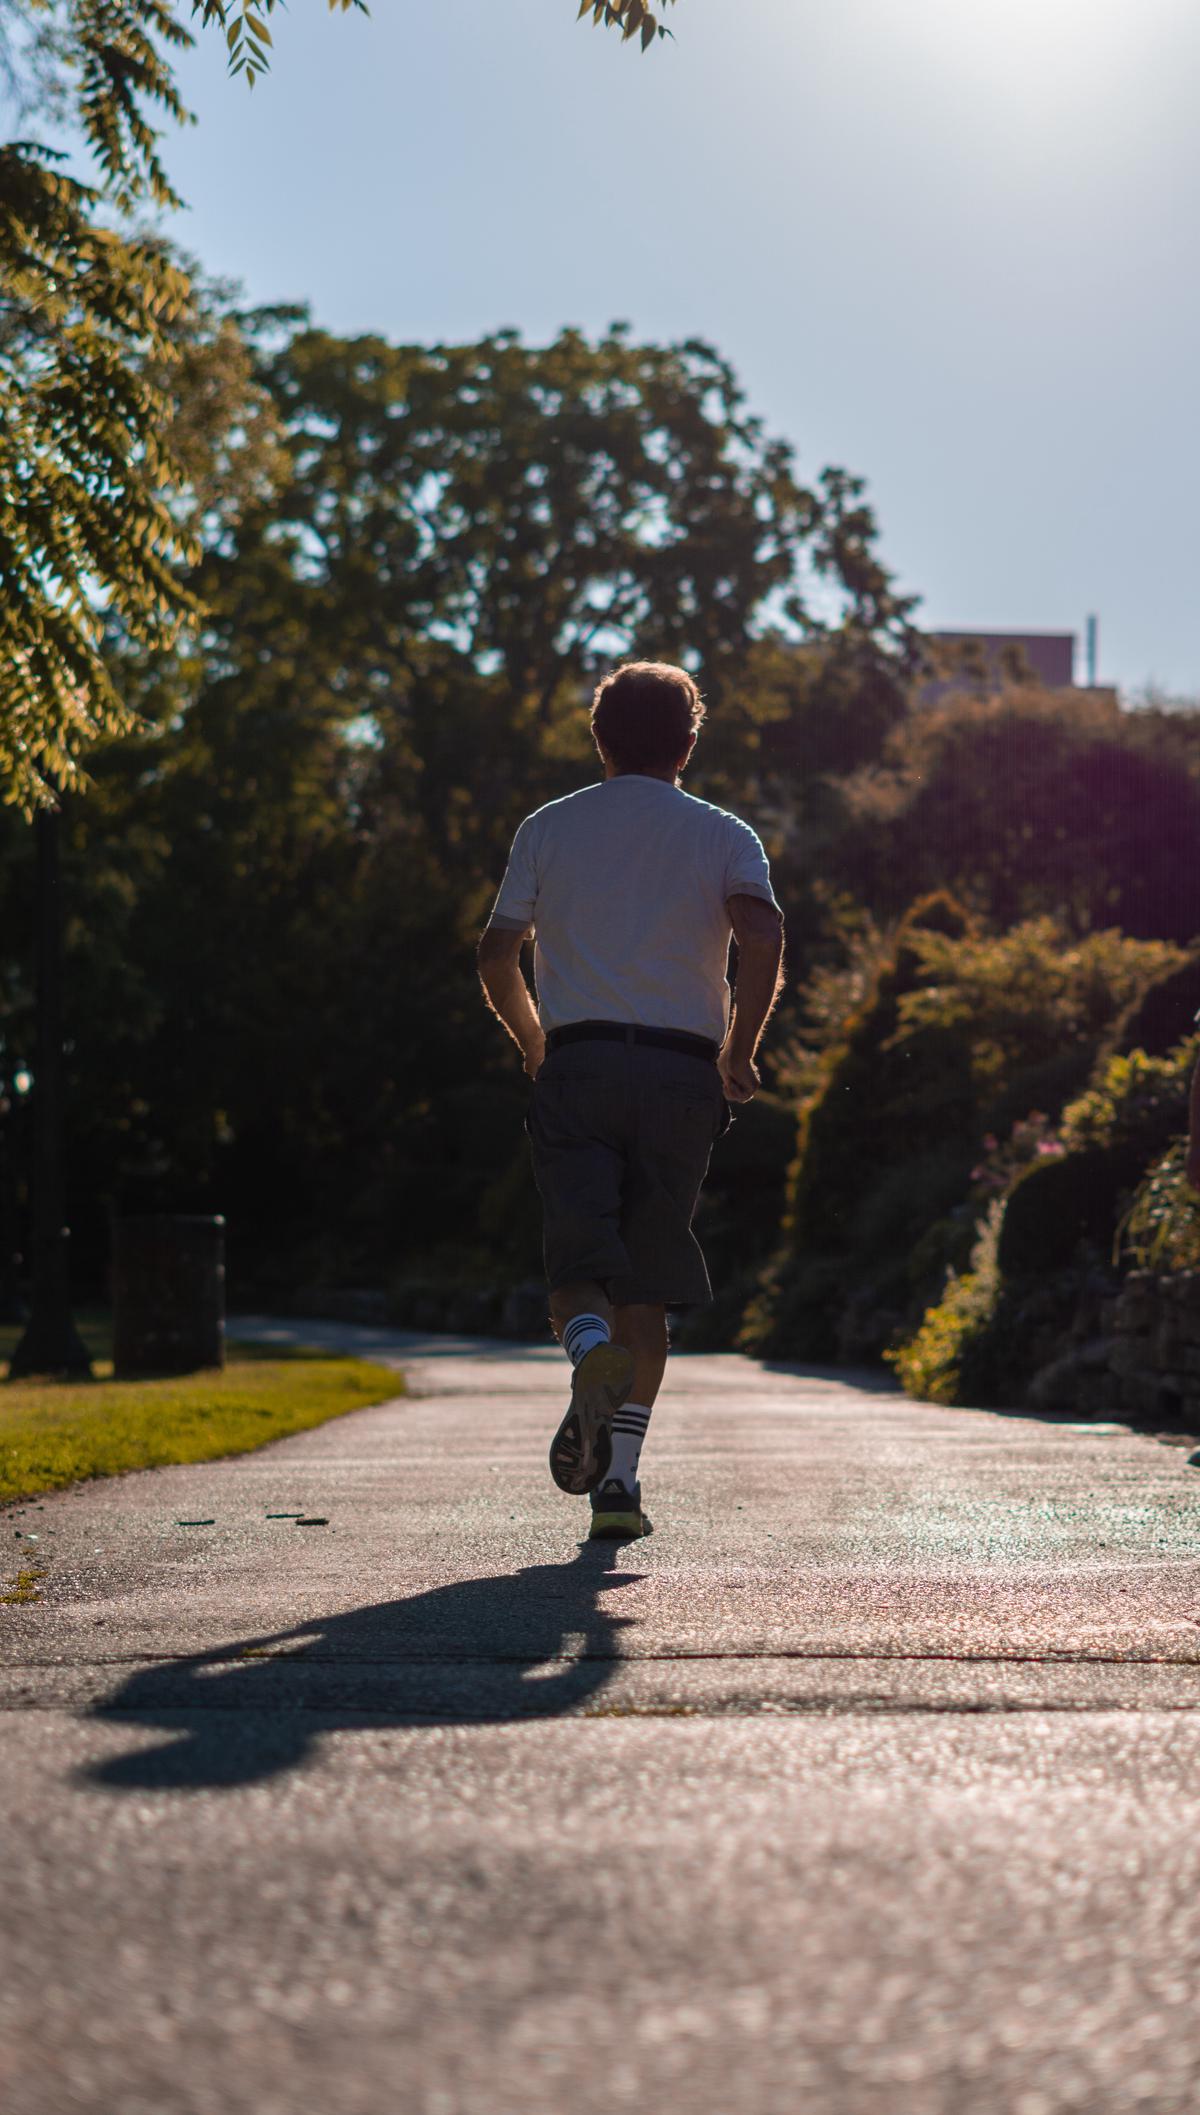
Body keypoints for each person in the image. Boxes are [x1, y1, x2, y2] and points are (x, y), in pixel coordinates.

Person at [477, 661, 785, 1539]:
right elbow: (762, 931)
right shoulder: (725, 834)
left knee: (577, 1265)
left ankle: (588, 1357)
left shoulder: (549, 828)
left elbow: (497, 955)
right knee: (645, 1282)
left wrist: (535, 1043)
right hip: (683, 1074)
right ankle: (618, 1487)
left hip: (577, 1063)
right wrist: (741, 1049)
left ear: (598, 738)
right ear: (690, 742)